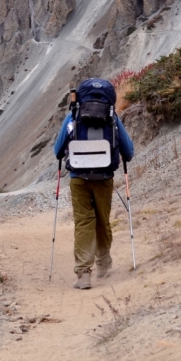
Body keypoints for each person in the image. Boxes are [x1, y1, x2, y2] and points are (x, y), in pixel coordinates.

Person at [53, 78, 134, 290]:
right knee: (102, 220)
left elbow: (57, 151)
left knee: (83, 222)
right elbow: (129, 151)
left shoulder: (72, 118)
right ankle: (104, 264)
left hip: (79, 179)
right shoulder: (112, 118)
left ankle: (83, 274)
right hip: (104, 177)